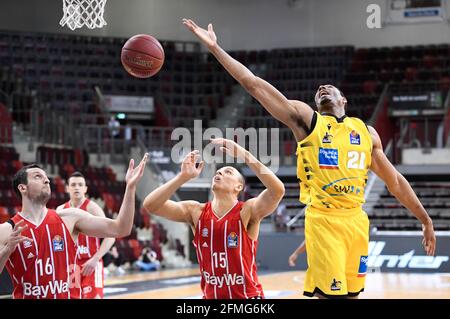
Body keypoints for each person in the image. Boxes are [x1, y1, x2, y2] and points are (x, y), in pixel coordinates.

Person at [183, 19, 436, 299]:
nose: (323, 88)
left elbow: (396, 182)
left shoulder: (367, 133)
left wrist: (424, 219)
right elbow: (254, 85)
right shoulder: (308, 122)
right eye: (318, 91)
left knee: (352, 296)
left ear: (344, 100)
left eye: (329, 88)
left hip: (356, 221)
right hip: (323, 219)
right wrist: (217, 49)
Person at [143, 138, 285, 299]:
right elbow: (151, 205)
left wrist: (244, 155)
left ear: (238, 187)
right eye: (218, 171)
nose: (219, 173)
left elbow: (277, 191)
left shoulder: (247, 210)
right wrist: (181, 178)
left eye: (228, 172)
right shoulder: (195, 211)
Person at [0, 154, 147, 299]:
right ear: (22, 188)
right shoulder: (7, 230)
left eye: (46, 177)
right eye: (38, 176)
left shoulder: (69, 218)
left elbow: (121, 228)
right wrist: (6, 250)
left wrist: (130, 187)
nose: (46, 180)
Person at [56, 171, 116, 299]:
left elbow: (111, 236)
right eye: (73, 184)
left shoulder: (92, 208)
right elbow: (56, 239)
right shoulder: (61, 210)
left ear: (85, 188)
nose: (76, 187)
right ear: (67, 188)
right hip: (72, 266)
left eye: (80, 184)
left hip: (91, 263)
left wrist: (95, 259)